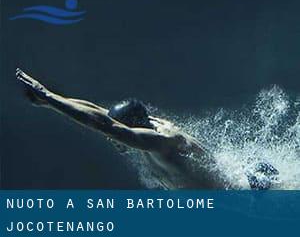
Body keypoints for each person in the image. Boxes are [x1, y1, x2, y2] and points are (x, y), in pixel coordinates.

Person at [15, 68, 277, 189]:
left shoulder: (161, 142)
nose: (111, 139)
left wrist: (48, 97)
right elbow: (99, 114)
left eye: (115, 134)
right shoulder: (146, 127)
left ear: (132, 128)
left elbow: (105, 125)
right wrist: (51, 101)